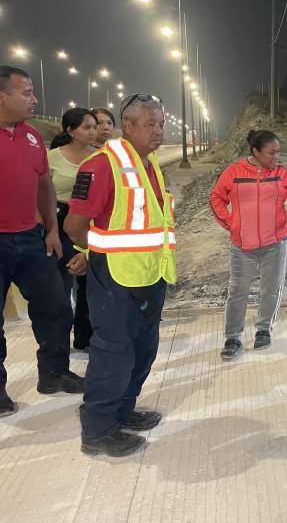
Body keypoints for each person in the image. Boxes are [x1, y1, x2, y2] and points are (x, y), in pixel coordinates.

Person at [65, 93, 175, 457]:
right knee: (113, 353)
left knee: (143, 349)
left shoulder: (148, 162)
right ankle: (98, 430)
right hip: (114, 278)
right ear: (127, 125)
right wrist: (94, 253)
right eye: (150, 124)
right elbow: (75, 225)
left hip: (150, 274)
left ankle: (123, 410)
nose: (158, 131)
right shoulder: (102, 165)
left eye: (161, 124)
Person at [0, 66, 84, 417]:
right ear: (1, 96)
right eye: (26, 93)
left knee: (56, 308)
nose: (34, 100)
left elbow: (43, 184)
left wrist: (51, 228)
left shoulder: (32, 136)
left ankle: (54, 373)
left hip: (32, 238)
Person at [210, 130, 287, 361]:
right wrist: (231, 223)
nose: (276, 157)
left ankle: (264, 329)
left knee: (271, 288)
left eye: (278, 152)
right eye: (271, 152)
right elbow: (216, 198)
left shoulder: (282, 173)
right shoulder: (234, 172)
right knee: (238, 290)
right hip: (242, 246)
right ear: (255, 152)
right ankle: (232, 337)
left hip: (274, 243)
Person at [49, 108, 97, 351]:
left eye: (95, 127)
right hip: (58, 221)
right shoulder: (52, 157)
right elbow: (39, 193)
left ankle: (84, 338)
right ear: (70, 130)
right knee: (61, 285)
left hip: (89, 222)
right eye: (87, 127)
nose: (93, 132)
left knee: (88, 283)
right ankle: (58, 341)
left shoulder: (100, 157)